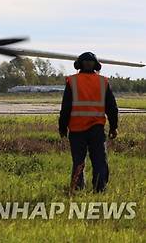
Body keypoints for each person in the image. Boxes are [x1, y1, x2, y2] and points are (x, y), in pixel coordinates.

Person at [58, 52, 118, 193]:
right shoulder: (103, 82)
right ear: (96, 65)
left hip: (77, 129)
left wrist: (62, 127)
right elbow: (112, 107)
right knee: (99, 161)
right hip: (96, 129)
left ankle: (78, 189)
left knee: (78, 161)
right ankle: (100, 189)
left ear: (79, 64)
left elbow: (65, 108)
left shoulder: (72, 81)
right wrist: (114, 127)